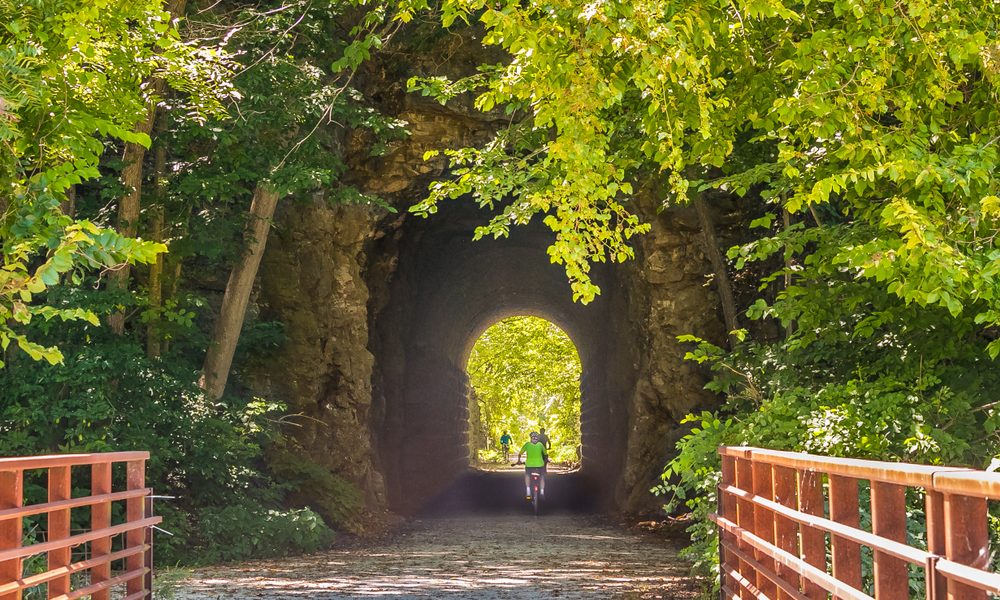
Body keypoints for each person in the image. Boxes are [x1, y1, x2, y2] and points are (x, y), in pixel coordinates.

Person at [517, 431, 548, 500]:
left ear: (531, 438)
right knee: (542, 477)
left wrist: (519, 461)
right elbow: (545, 454)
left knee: (527, 475)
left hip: (529, 465)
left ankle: (528, 491)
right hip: (540, 465)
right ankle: (542, 492)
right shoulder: (540, 444)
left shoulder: (527, 445)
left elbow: (520, 454)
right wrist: (546, 460)